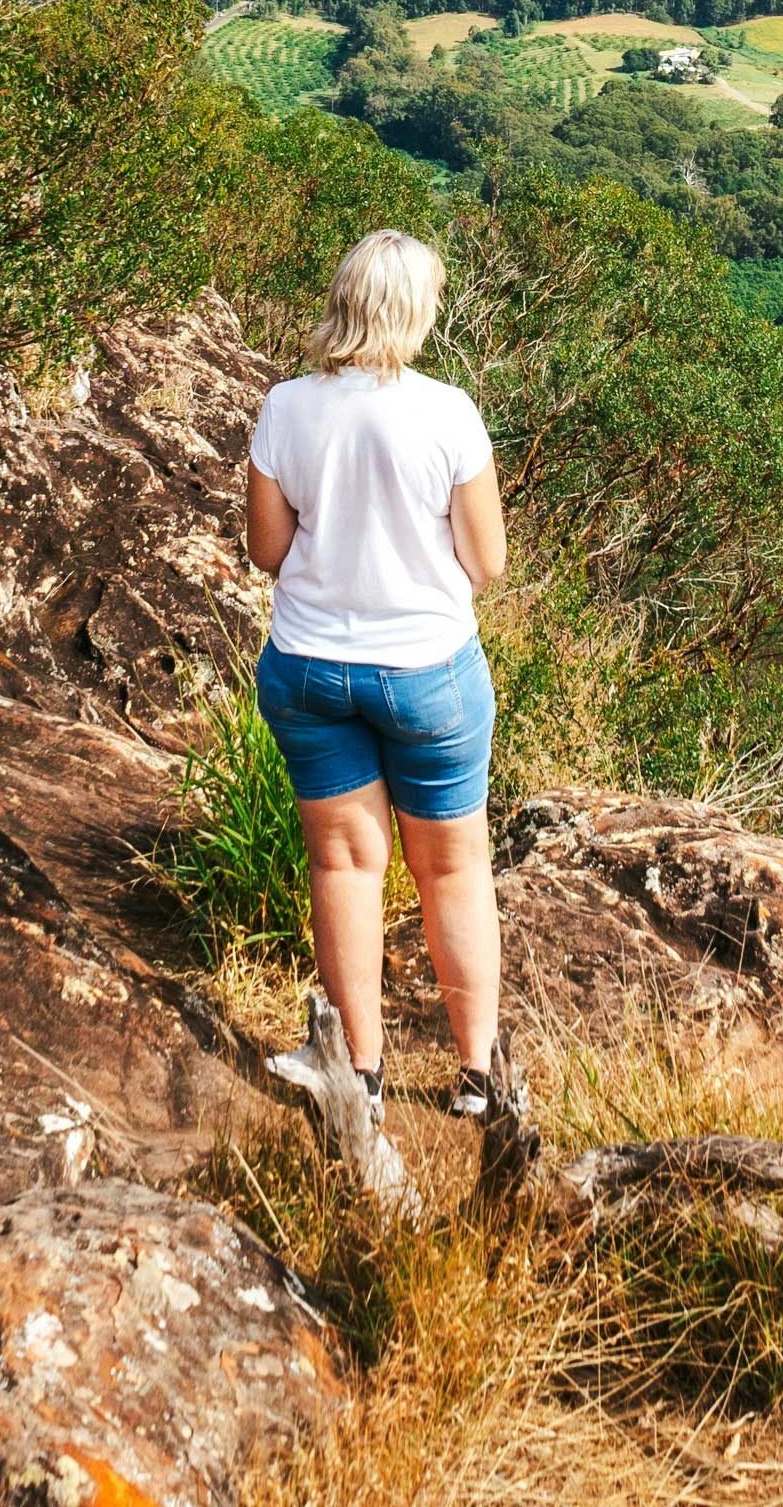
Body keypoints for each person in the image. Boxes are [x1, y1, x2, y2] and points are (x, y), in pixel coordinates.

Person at [243, 227, 508, 1117]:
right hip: (427, 671)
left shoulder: (285, 407)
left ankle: (359, 1072)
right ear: (416, 311)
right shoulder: (448, 413)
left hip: (312, 666)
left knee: (347, 864)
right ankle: (475, 1078)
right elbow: (488, 562)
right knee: (455, 870)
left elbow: (265, 550)